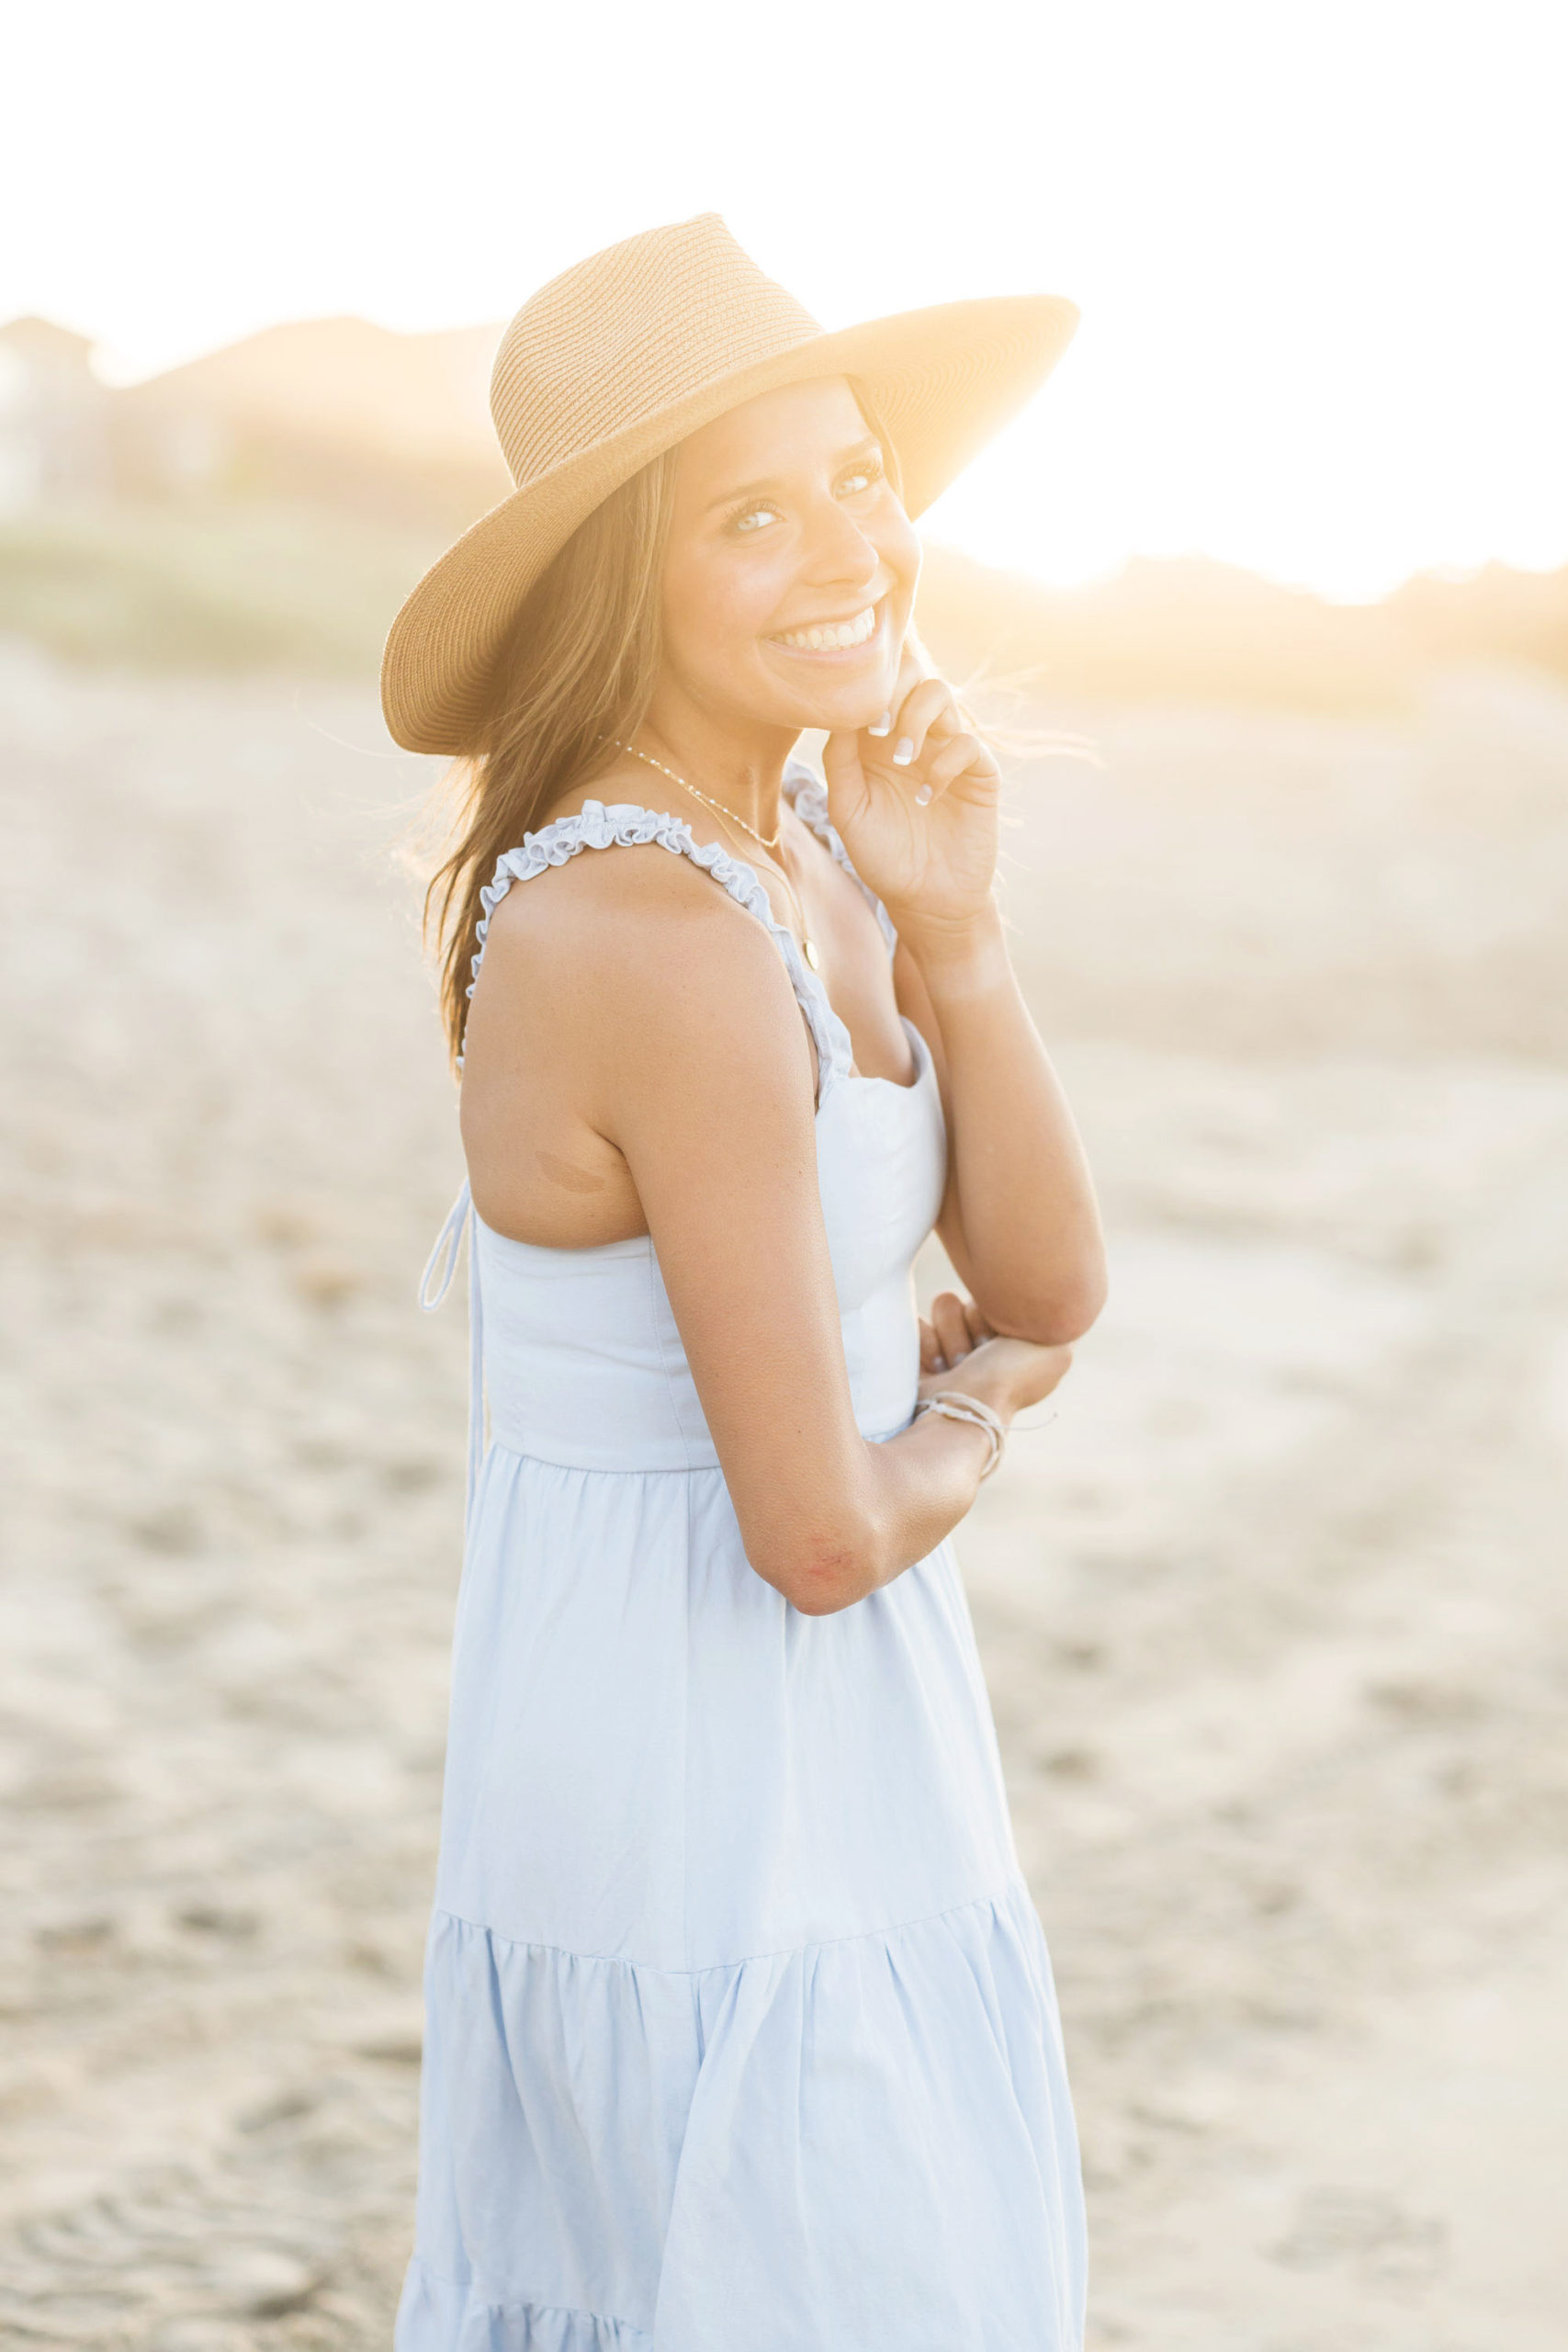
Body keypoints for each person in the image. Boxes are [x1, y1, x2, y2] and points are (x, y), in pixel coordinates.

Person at [386, 212, 1105, 2352]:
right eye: (753, 516)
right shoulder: (648, 932)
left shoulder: (801, 856)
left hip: (843, 1721)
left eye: (859, 480)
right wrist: (967, 1408)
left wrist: (955, 940)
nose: (846, 551)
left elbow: (1052, 1271)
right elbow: (816, 1525)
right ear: (625, 577)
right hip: (693, 1742)